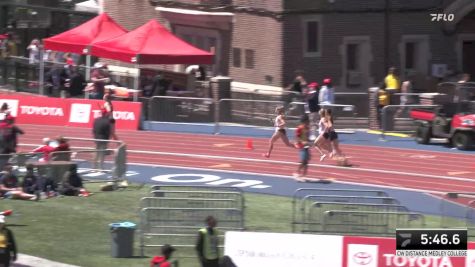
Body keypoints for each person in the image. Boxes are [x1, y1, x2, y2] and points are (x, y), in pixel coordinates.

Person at [293, 114, 311, 181]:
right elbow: (297, 137)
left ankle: (303, 175)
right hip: (302, 147)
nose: (308, 123)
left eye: (308, 121)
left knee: (306, 162)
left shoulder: (308, 128)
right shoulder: (299, 128)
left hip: (306, 146)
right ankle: (297, 173)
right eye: (307, 121)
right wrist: (302, 142)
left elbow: (307, 137)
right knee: (303, 161)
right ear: (303, 121)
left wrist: (309, 141)